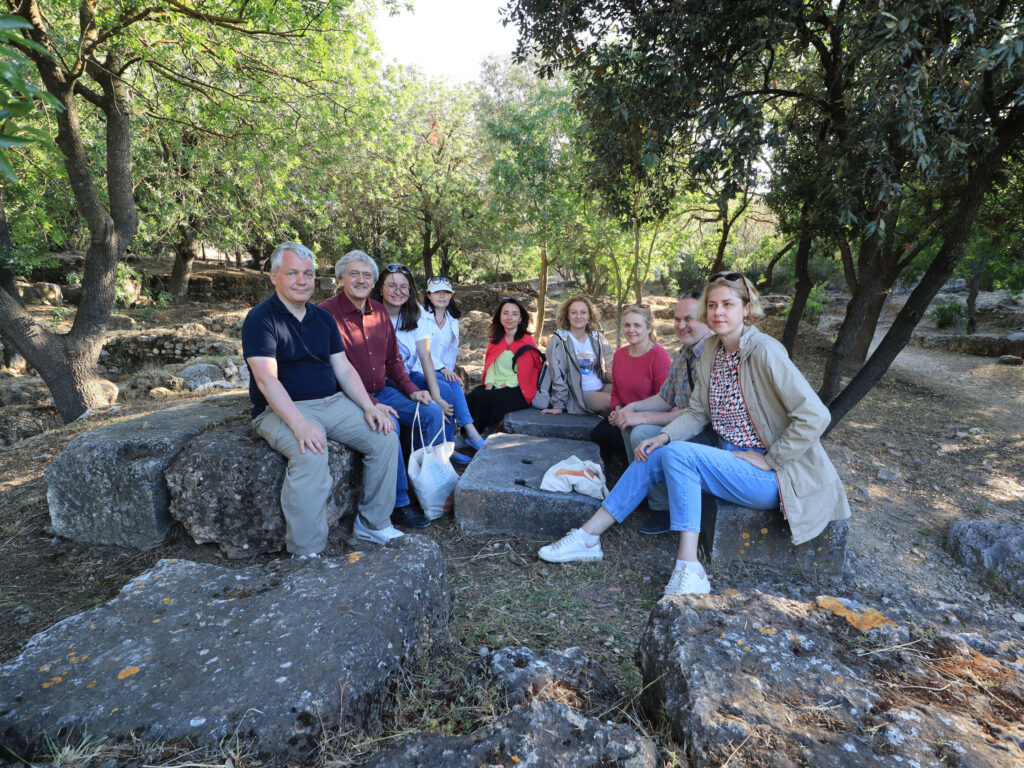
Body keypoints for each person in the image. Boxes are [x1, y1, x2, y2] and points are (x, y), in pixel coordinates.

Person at [538, 272, 851, 598]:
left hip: (774, 476)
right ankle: (589, 536)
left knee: (678, 454)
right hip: (726, 455)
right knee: (655, 450)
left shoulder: (764, 351)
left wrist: (772, 458)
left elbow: (816, 415)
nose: (718, 312)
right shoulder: (713, 351)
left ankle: (690, 567)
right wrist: (662, 437)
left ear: (746, 308)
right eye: (712, 305)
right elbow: (698, 412)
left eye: (728, 304)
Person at [242, 241, 404, 555]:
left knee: (384, 433)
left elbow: (342, 367)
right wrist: (300, 425)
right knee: (311, 454)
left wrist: (369, 406)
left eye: (308, 274)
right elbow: (266, 379)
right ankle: (306, 551)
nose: (302, 281)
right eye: (292, 273)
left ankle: (373, 523)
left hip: (331, 402)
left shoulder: (321, 318)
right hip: (281, 410)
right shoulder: (261, 319)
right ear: (274, 276)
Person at [321, 251, 445, 530]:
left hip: (383, 390)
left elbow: (393, 361)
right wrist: (369, 404)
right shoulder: (326, 313)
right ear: (341, 278)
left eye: (367, 275)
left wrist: (412, 390)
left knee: (431, 413)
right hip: (348, 397)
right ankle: (399, 503)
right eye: (354, 274)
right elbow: (328, 367)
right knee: (389, 426)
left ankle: (422, 487)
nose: (361, 280)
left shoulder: (378, 312)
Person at [611, 292, 716, 535]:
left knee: (641, 433)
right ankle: (648, 495)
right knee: (628, 425)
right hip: (684, 424)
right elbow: (664, 397)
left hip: (708, 435)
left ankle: (665, 509)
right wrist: (631, 409)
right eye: (677, 319)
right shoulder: (683, 355)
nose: (681, 325)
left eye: (688, 319)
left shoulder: (712, 357)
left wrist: (642, 417)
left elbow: (696, 416)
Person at [590, 305, 672, 460]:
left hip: (649, 419)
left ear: (649, 328)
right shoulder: (620, 354)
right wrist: (618, 410)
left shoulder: (659, 357)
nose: (631, 330)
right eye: (627, 325)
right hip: (624, 415)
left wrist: (631, 415)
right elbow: (615, 392)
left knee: (622, 437)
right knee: (598, 435)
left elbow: (665, 400)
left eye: (637, 325)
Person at [416, 275, 486, 451]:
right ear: (429, 295)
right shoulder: (420, 316)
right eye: (437, 292)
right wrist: (443, 368)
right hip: (418, 368)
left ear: (451, 295)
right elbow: (421, 349)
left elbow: (450, 353)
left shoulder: (452, 321)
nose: (442, 296)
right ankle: (469, 433)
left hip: (440, 371)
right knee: (450, 385)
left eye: (446, 292)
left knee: (452, 382)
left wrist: (447, 369)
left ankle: (455, 443)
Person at [466, 297, 543, 429]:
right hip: (495, 384)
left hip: (519, 388)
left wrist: (504, 385)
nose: (509, 317)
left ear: (520, 319)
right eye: (505, 313)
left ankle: (475, 434)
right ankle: (467, 433)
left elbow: (527, 372)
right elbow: (491, 367)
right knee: (473, 396)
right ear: (499, 317)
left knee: (487, 399)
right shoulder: (495, 339)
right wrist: (489, 385)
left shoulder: (527, 340)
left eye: (514, 314)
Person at [540, 295, 614, 416]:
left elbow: (610, 363)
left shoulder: (597, 337)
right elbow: (558, 375)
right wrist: (559, 405)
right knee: (614, 402)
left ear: (589, 315)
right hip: (582, 393)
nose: (579, 316)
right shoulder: (559, 341)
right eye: (574, 312)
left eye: (583, 312)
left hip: (602, 385)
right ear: (567, 316)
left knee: (631, 396)